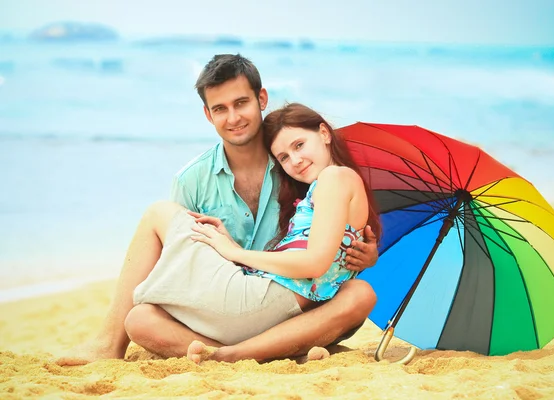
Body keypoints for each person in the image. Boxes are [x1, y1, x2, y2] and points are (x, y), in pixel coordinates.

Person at [56, 54, 378, 366]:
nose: (234, 118)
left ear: (261, 99)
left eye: (241, 103)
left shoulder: (299, 164)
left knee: (359, 293)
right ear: (208, 116)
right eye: (220, 109)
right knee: (141, 319)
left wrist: (366, 255)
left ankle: (225, 353)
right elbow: (180, 269)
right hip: (239, 298)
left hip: (299, 305)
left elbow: (328, 251)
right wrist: (227, 254)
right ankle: (269, 352)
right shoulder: (193, 180)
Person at [184, 103, 381, 363]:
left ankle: (231, 355)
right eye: (284, 157)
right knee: (142, 320)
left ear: (324, 133)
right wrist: (233, 247)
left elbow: (315, 263)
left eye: (299, 145)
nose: (295, 161)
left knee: (160, 216)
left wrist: (237, 253)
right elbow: (308, 255)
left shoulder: (335, 177)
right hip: (279, 299)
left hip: (282, 300)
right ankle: (273, 352)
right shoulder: (314, 191)